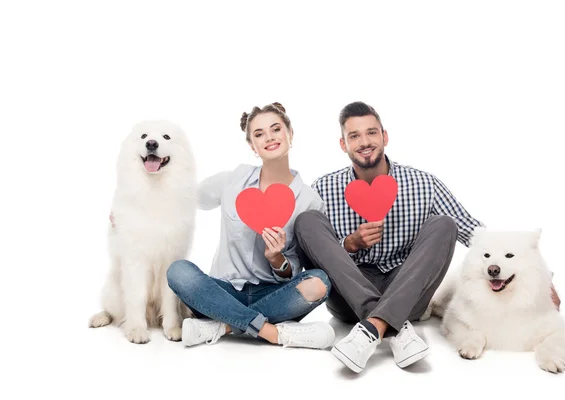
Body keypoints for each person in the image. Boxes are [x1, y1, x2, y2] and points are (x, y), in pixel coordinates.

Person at [293, 101, 484, 373]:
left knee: (444, 224)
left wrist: (530, 270)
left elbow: (473, 232)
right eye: (354, 136)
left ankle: (372, 328)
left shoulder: (423, 183)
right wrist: (349, 244)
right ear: (343, 144)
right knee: (306, 221)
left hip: (407, 290)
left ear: (385, 136)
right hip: (348, 296)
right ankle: (392, 325)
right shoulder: (324, 187)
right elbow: (310, 246)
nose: (364, 142)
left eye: (371, 132)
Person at [166, 102, 335, 349]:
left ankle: (222, 326)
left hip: (274, 297)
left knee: (320, 281)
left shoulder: (310, 201)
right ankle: (272, 333)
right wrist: (131, 209)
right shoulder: (233, 180)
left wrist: (277, 259)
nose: (269, 137)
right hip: (222, 292)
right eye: (259, 134)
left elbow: (300, 267)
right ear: (252, 146)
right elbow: (185, 198)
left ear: (290, 133)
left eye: (276, 129)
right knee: (178, 271)